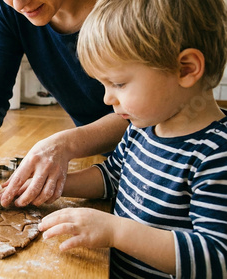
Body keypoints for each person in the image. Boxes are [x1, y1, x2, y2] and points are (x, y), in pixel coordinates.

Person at [38, 0, 227, 277]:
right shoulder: (142, 128)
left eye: (119, 84)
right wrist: (52, 185)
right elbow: (112, 177)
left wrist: (115, 231)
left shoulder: (216, 154)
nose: (106, 98)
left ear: (185, 69)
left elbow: (216, 258)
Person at [0, 0, 129, 208]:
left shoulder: (131, 9)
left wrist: (67, 144)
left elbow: (159, 110)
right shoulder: (7, 9)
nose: (18, 5)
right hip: (110, 169)